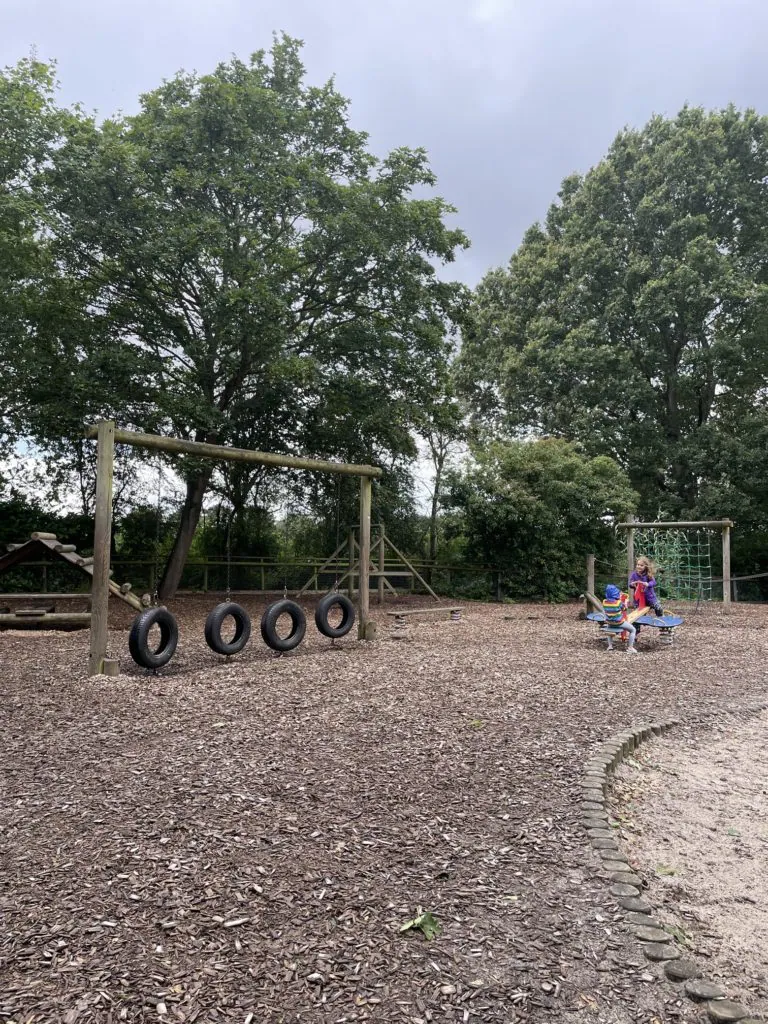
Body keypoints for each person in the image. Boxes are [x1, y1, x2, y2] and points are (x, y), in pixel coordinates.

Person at [602, 583, 637, 653]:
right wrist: (626, 602)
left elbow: (611, 604)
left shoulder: (604, 602)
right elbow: (624, 609)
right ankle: (630, 648)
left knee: (610, 630)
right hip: (619, 623)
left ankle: (610, 646)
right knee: (633, 630)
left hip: (609, 622)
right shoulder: (618, 603)